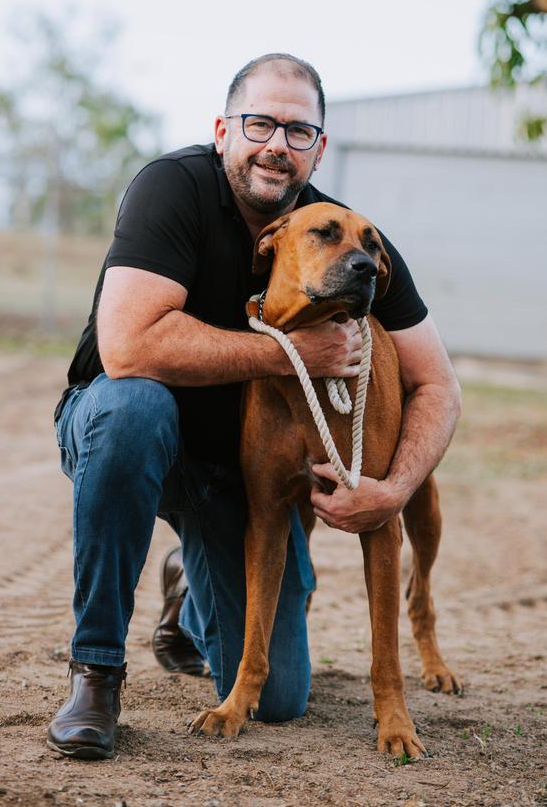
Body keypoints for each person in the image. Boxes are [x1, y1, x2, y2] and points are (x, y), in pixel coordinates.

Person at [47, 53, 461, 759]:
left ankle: (190, 587)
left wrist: (391, 490)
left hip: (229, 478)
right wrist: (293, 352)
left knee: (279, 699)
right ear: (223, 130)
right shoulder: (171, 190)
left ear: (318, 148)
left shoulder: (350, 236)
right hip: (124, 431)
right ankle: (95, 672)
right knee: (135, 405)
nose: (277, 143)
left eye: (299, 131)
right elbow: (125, 349)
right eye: (260, 122)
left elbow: (438, 386)